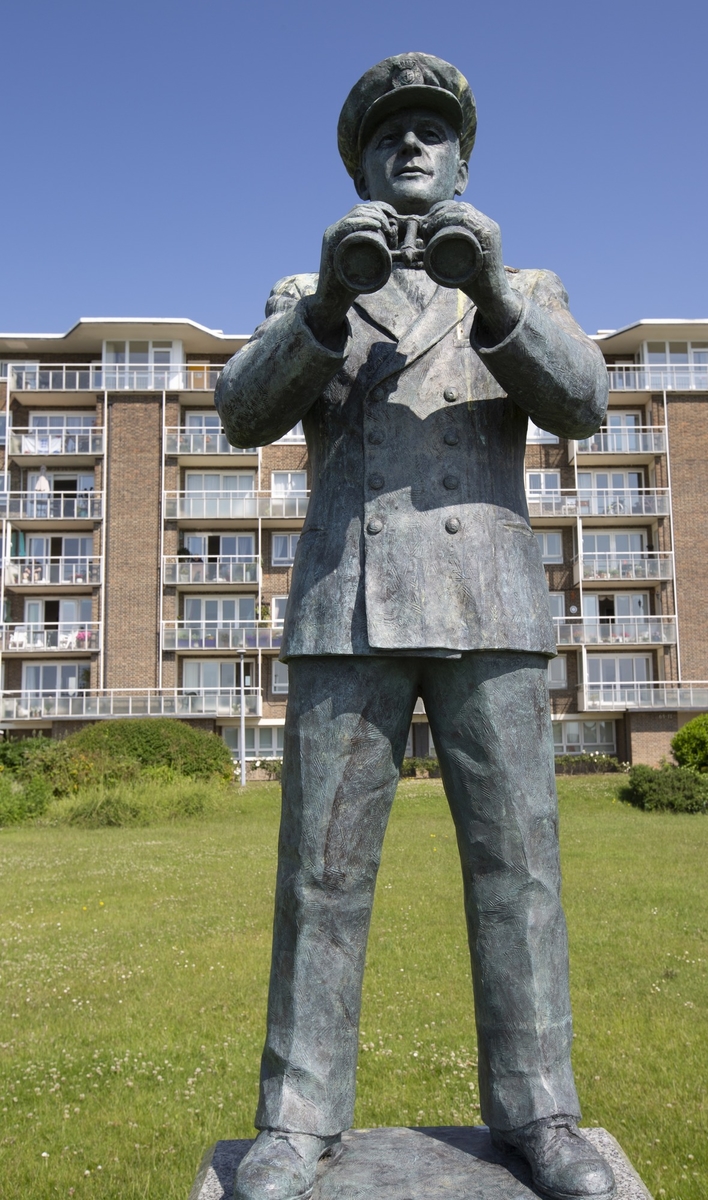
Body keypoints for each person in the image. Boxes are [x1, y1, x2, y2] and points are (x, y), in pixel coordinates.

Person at [216, 53, 614, 1200]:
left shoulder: (522, 282)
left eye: (432, 130)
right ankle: (295, 1121)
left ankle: (540, 1112)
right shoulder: (305, 293)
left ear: (463, 156)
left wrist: (492, 296)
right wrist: (332, 306)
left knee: (516, 870)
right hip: (348, 606)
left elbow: (582, 401)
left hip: (488, 604)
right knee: (321, 880)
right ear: (359, 160)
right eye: (390, 132)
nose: (411, 145)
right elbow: (241, 410)